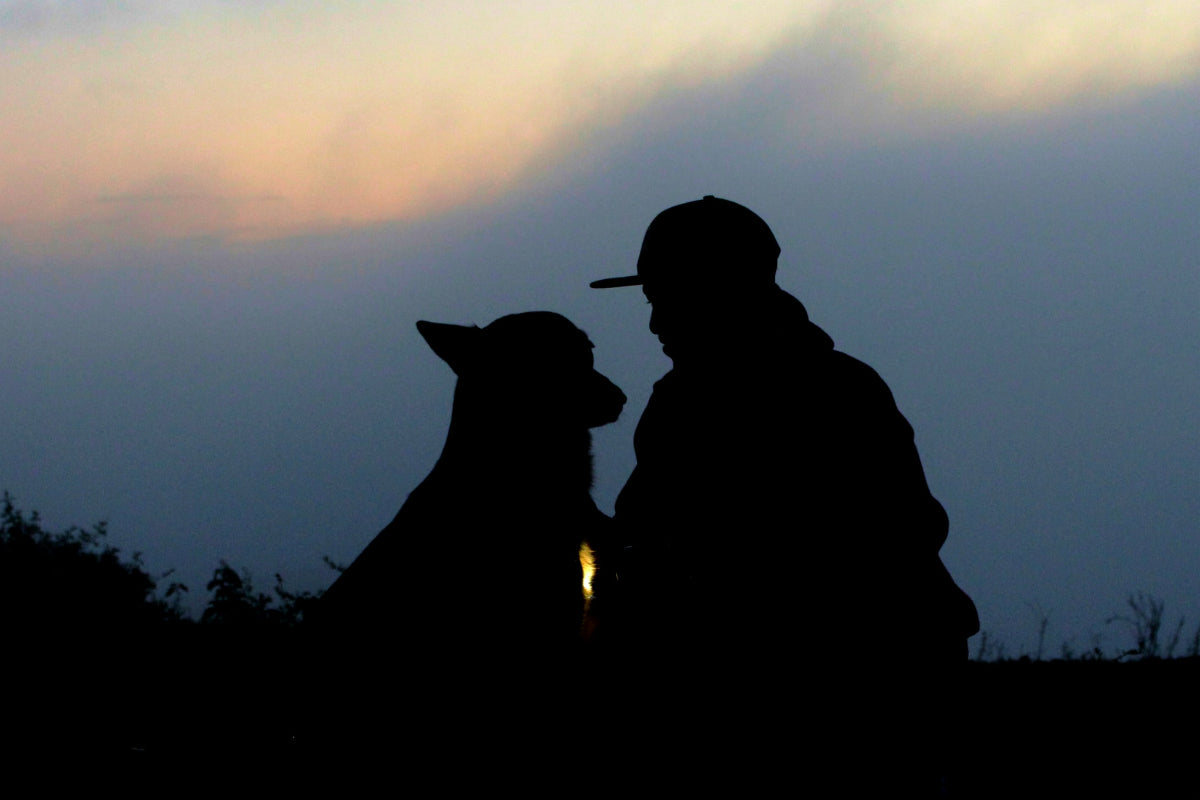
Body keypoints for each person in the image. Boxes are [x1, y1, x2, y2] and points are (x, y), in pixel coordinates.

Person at [590, 197, 978, 788]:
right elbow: (642, 533)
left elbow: (889, 543)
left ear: (721, 292)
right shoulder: (683, 402)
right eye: (652, 300)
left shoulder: (832, 396)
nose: (655, 322)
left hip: (856, 692)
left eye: (667, 298)